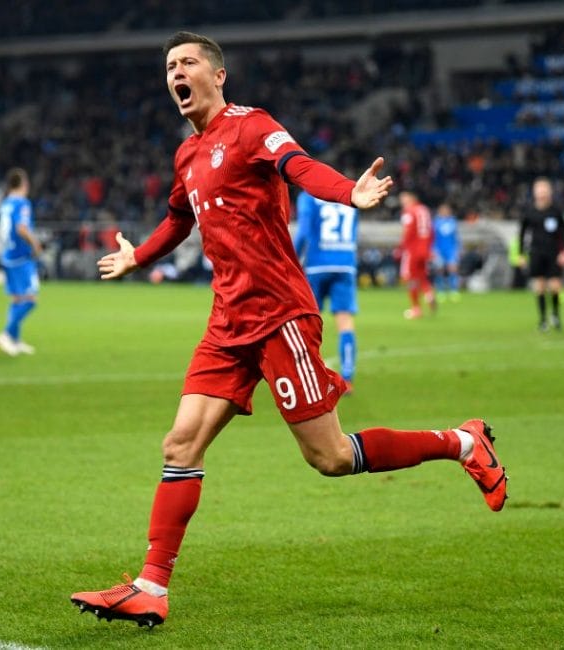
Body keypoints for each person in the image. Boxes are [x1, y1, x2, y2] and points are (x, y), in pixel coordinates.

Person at [70, 31, 508, 629]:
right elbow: (178, 219)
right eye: (170, 65)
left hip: (279, 316)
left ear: (217, 75)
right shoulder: (187, 156)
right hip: (227, 322)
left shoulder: (251, 127)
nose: (177, 71)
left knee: (329, 457)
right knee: (180, 445)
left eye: (188, 62)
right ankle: (151, 586)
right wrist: (138, 257)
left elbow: (297, 166)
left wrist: (348, 192)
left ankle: (462, 441)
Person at [292, 190, 359, 392]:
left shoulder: (308, 197)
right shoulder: (349, 196)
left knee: (309, 321)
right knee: (345, 322)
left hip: (317, 266)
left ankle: (307, 376)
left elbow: (303, 231)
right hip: (345, 265)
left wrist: (292, 259)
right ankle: (347, 378)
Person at [0, 167, 42, 356]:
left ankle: (14, 340)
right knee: (31, 300)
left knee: (17, 299)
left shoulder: (5, 203)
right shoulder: (22, 203)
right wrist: (35, 244)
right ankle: (6, 334)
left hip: (8, 255)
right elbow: (21, 228)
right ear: (24, 184)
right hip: (21, 257)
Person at [518, 178, 564, 331]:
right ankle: (542, 320)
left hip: (554, 253)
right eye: (539, 190)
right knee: (539, 286)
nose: (541, 193)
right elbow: (522, 233)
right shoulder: (529, 211)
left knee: (555, 286)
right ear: (535, 192)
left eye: (544, 190)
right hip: (536, 252)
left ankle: (555, 315)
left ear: (549, 191)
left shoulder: (557, 210)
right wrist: (521, 254)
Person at [396, 191, 436, 319]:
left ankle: (416, 309)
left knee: (410, 279)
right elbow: (431, 230)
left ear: (412, 198)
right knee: (422, 276)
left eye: (404, 198)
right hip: (425, 249)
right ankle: (429, 294)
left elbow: (407, 230)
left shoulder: (409, 211)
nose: (402, 202)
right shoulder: (424, 210)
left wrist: (401, 246)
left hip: (412, 249)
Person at [432, 202, 461, 302]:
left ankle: (454, 291)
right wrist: (433, 250)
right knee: (439, 270)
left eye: (447, 210)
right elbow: (433, 238)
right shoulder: (436, 223)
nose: (445, 212)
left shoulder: (453, 221)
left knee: (453, 269)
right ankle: (440, 291)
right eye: (443, 210)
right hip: (439, 249)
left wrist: (457, 249)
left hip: (451, 250)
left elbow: (455, 237)